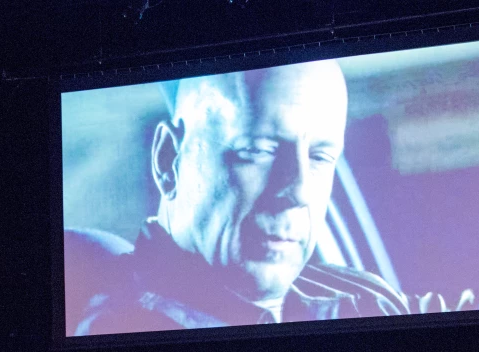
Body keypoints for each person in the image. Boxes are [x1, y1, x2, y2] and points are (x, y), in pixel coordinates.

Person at [75, 60, 409, 335]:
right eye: (258, 150)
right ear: (168, 161)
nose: (300, 192)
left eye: (320, 157)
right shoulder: (122, 334)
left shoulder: (364, 298)